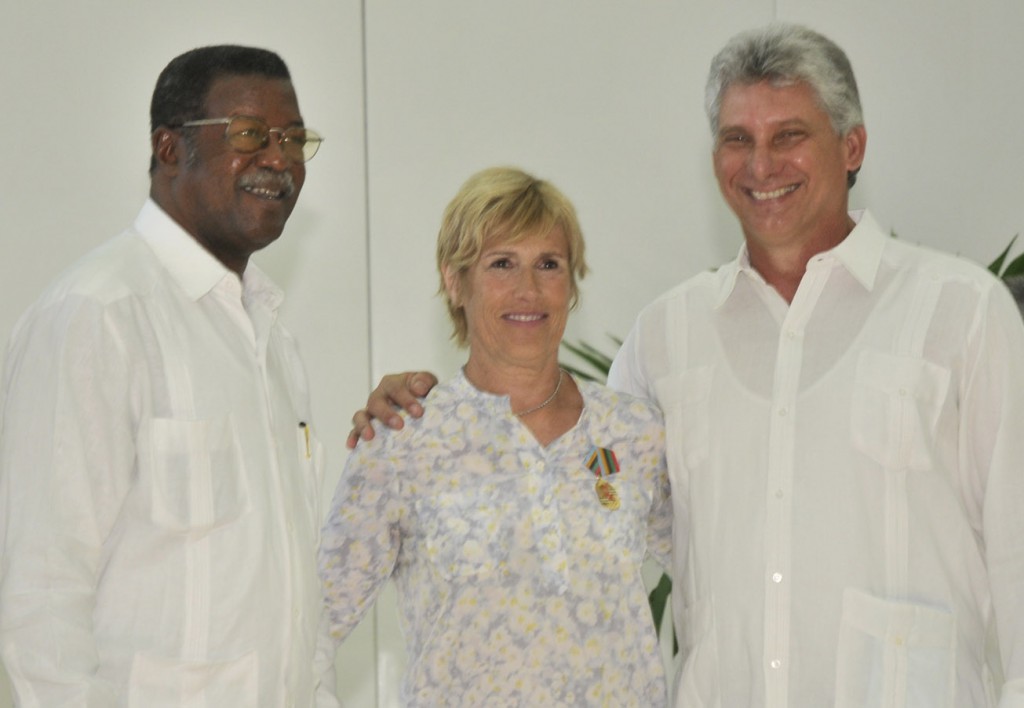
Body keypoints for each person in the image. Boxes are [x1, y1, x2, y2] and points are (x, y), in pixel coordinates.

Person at [348, 24, 1024, 706]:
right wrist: (432, 406)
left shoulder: (961, 314)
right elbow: (568, 499)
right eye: (738, 139)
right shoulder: (666, 338)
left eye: (789, 135)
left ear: (852, 146)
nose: (761, 165)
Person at [0, 46, 338, 706]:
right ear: (168, 147)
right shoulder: (99, 315)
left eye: (295, 139)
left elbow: (297, 602)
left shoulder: (271, 338)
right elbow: (42, 594)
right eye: (248, 135)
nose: (279, 159)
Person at [319, 166, 673, 705]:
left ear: (572, 284)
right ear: (454, 281)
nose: (528, 289)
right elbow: (312, 626)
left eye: (549, 265)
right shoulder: (403, 438)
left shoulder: (636, 432)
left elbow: (723, 573)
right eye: (502, 263)